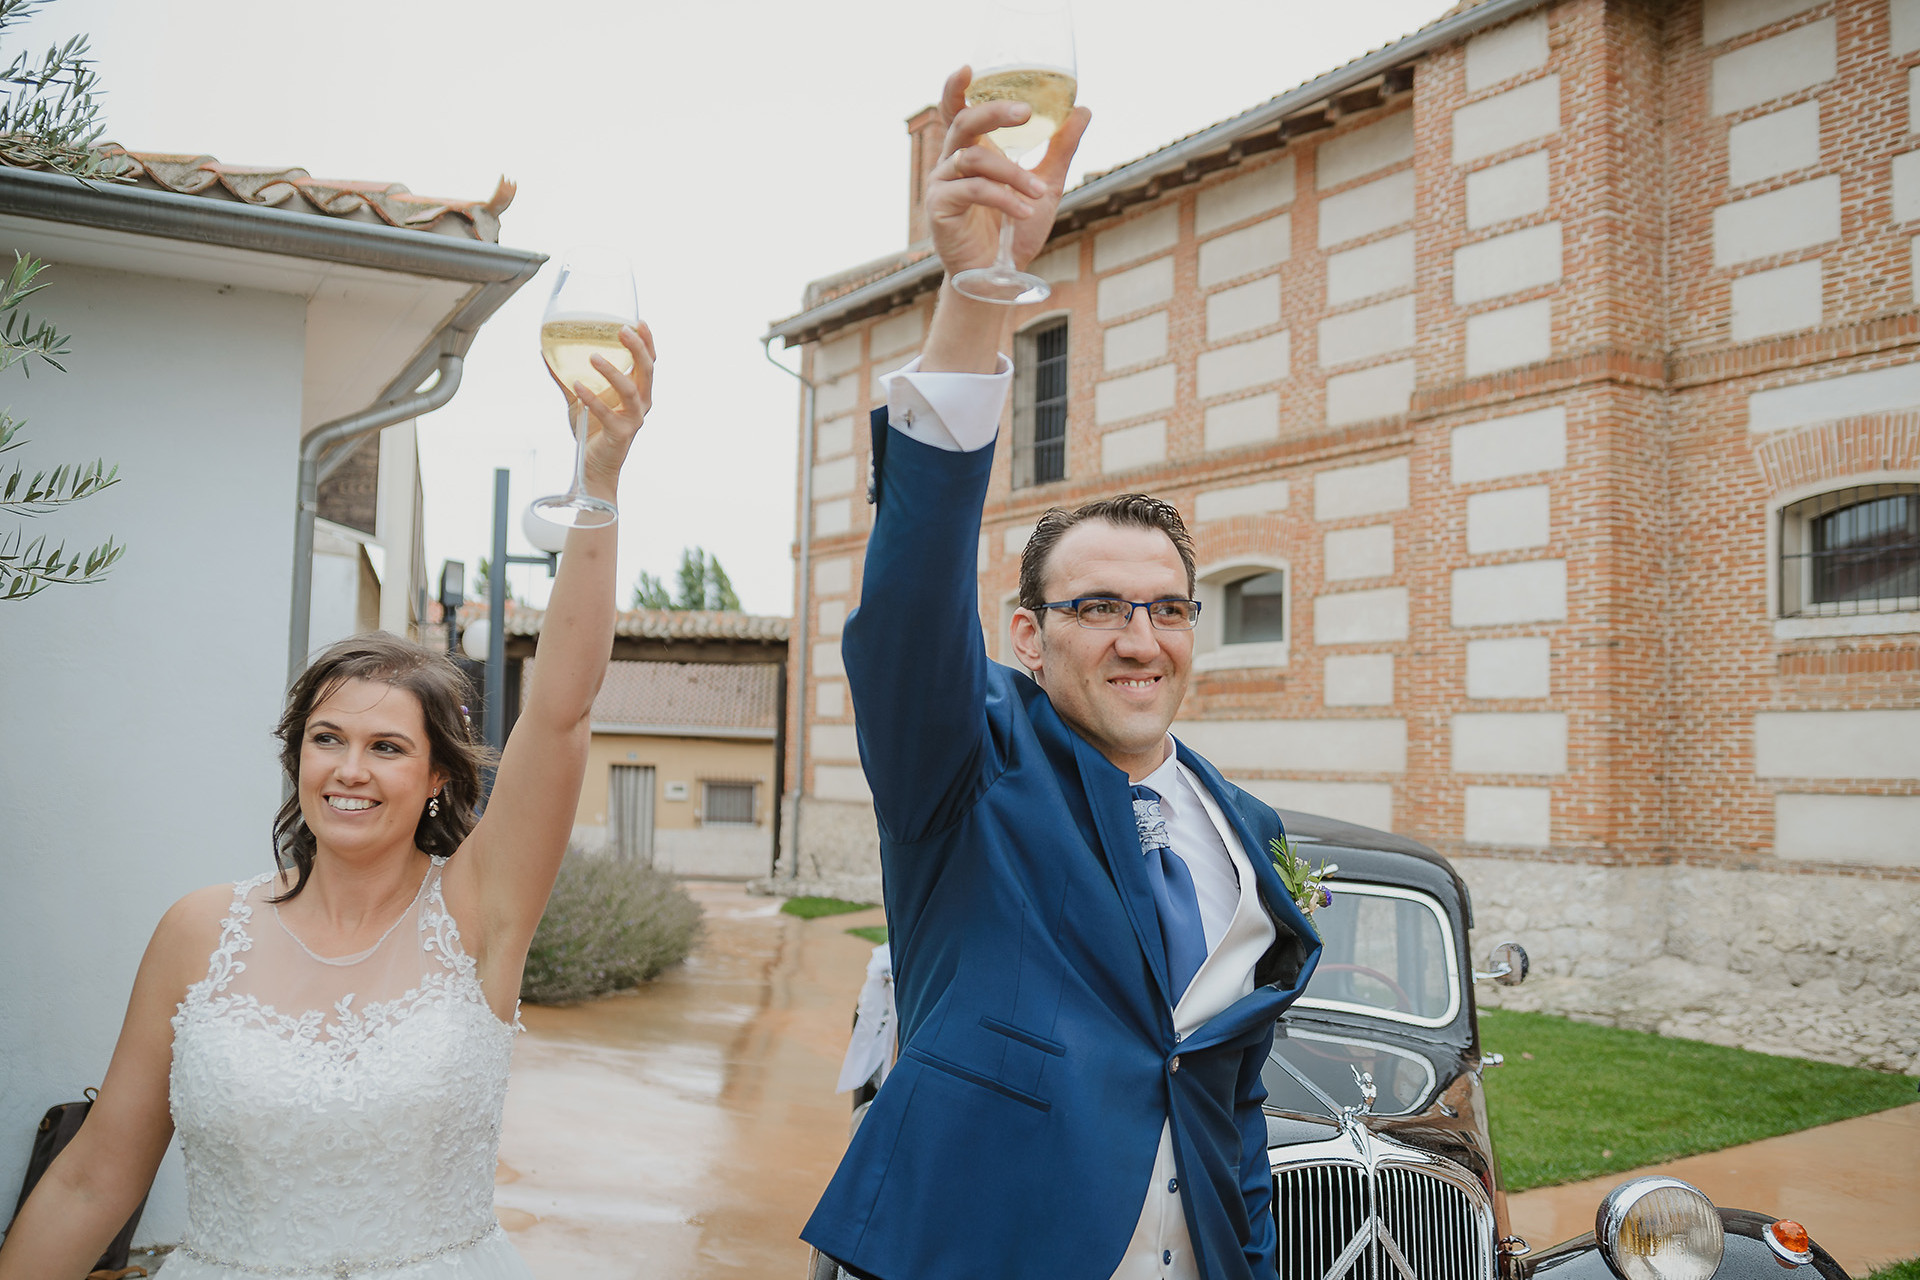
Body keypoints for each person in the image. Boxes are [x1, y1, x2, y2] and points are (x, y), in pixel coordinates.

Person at [800, 70, 1323, 1280]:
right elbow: (909, 600)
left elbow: (1219, 1085)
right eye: (1097, 607)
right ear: (1027, 637)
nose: (1140, 638)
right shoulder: (967, 765)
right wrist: (979, 291)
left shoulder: (1247, 833)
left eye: (1167, 608)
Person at [0, 324, 656, 1279]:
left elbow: (560, 715)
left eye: (387, 747)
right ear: (296, 758)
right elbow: (95, 1179)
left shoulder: (480, 911)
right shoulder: (196, 931)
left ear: (437, 776)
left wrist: (596, 488)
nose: (349, 770)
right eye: (326, 740)